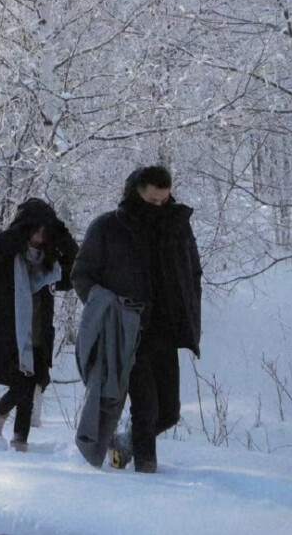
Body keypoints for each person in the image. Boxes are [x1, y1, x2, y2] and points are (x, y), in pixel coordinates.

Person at [71, 164, 202, 473]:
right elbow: (81, 275)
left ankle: (125, 443)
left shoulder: (178, 225)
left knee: (169, 412)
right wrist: (106, 310)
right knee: (146, 408)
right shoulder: (107, 228)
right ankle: (146, 475)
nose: (160, 207)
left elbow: (193, 270)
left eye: (165, 200)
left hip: (166, 331)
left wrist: (190, 304)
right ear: (137, 195)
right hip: (128, 333)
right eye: (153, 201)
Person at [0, 197, 78, 451]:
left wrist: (62, 234)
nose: (40, 236)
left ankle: (20, 442)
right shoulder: (8, 260)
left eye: (45, 231)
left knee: (30, 389)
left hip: (39, 335)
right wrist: (10, 237)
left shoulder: (50, 265)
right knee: (20, 387)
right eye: (34, 229)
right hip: (9, 336)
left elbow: (78, 268)